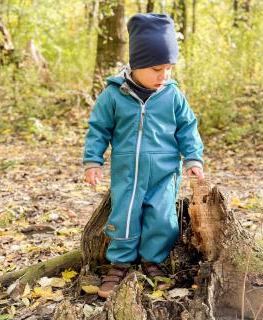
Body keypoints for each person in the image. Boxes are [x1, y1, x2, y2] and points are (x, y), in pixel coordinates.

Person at [83, 13, 204, 298]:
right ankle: (119, 264)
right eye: (156, 68)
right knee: (124, 215)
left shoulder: (172, 95)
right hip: (127, 173)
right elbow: (98, 129)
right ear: (136, 64)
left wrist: (193, 159)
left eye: (169, 69)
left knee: (162, 218)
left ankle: (153, 261)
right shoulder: (114, 94)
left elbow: (188, 128)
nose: (164, 76)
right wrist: (93, 161)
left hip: (164, 173)